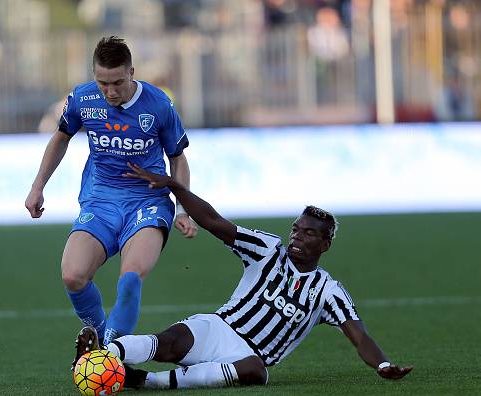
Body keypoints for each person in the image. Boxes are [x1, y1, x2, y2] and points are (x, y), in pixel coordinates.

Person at [74, 162, 413, 389]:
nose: (296, 236)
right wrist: (175, 186)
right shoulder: (267, 248)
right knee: (168, 343)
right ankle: (102, 354)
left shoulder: (327, 291)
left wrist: (382, 365)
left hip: (247, 357)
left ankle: (144, 383)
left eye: (308, 233)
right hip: (220, 327)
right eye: (296, 229)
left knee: (256, 371)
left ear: (325, 244)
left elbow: (359, 335)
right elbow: (213, 221)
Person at [24, 36, 197, 369]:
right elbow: (60, 138)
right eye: (103, 82)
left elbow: (178, 158)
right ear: (94, 75)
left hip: (147, 202)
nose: (111, 91)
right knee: (73, 276)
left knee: (130, 276)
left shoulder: (158, 105)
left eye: (118, 82)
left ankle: (108, 354)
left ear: (132, 72)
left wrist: (182, 207)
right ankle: (104, 341)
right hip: (100, 200)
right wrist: (37, 187)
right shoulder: (82, 98)